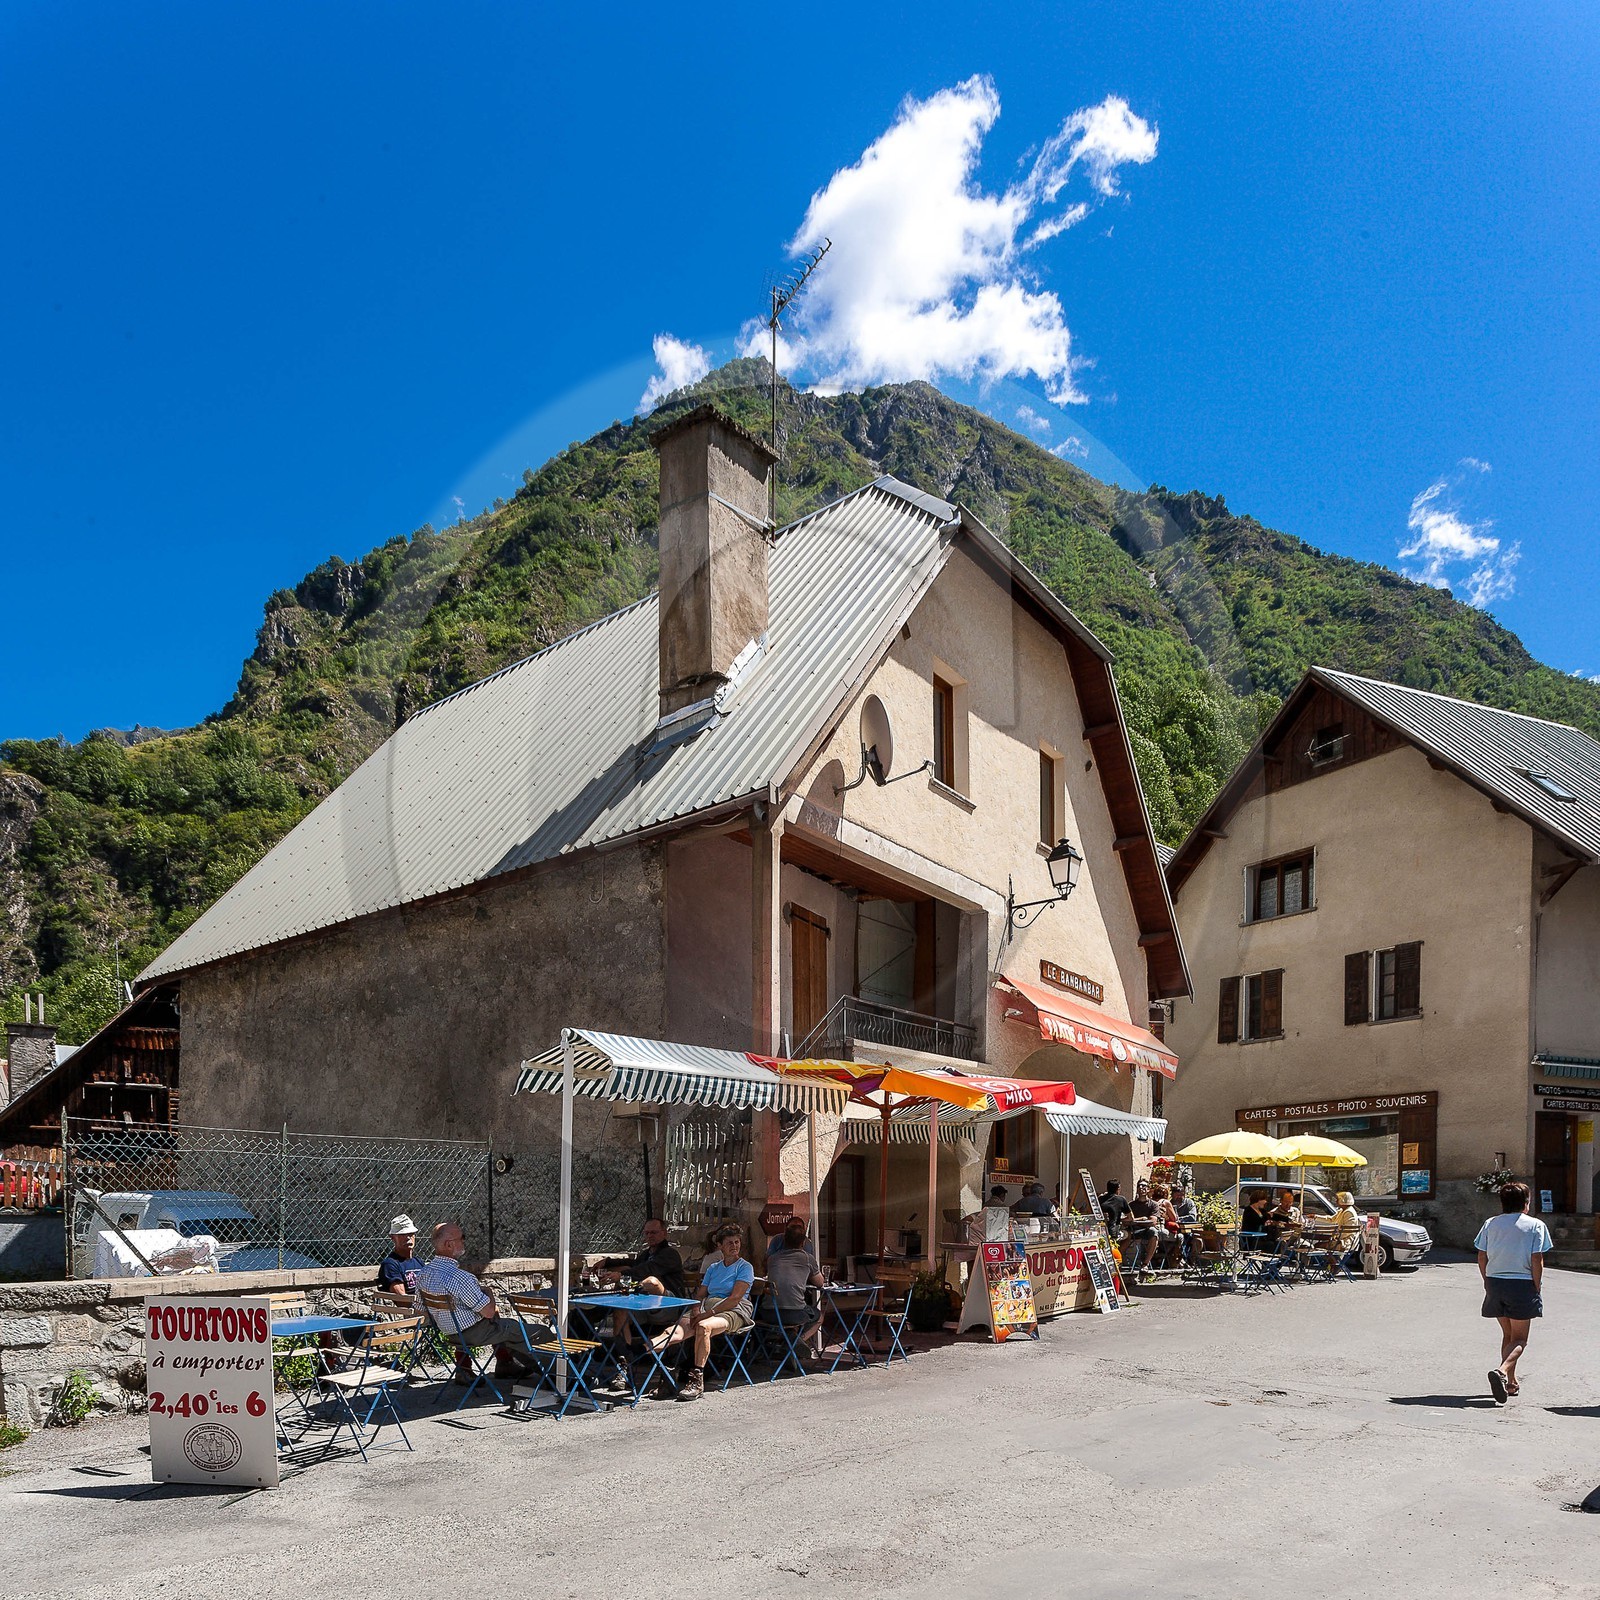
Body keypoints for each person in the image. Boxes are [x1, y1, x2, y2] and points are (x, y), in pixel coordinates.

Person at [414, 1221, 536, 1382]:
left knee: (501, 1326)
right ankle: (556, 1375)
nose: (464, 1241)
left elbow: (420, 1311)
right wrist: (489, 1293)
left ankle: (490, 1365)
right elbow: (488, 1311)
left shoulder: (423, 1274)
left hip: (449, 1334)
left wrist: (446, 1319)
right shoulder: (460, 1277)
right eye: (461, 1238)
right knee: (533, 1332)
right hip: (474, 1334)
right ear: (449, 1245)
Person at [1476, 1180, 1551, 1403]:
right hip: (1521, 1284)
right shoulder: (1535, 1225)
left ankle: (1510, 1381)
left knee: (1508, 1335)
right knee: (1520, 1339)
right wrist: (1536, 1285)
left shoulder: (1490, 1223)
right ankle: (1501, 1371)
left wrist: (1486, 1280)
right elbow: (1537, 1258)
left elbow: (1481, 1255)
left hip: (1495, 1283)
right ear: (1526, 1203)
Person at [662, 1222, 755, 1401]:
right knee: (673, 1331)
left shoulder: (745, 1267)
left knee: (703, 1327)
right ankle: (637, 1358)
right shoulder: (713, 1268)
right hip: (707, 1307)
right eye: (729, 1243)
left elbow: (735, 1298)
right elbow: (701, 1293)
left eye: (737, 1242)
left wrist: (705, 1314)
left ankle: (696, 1380)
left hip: (733, 1311)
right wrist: (696, 1309)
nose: (734, 1246)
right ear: (719, 1246)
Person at [596, 1218, 687, 1378]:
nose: (650, 1236)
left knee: (652, 1281)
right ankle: (625, 1359)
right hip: (644, 1306)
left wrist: (621, 1276)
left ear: (664, 1233)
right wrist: (609, 1262)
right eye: (647, 1233)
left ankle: (629, 1356)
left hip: (668, 1305)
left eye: (654, 1232)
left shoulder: (670, 1254)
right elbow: (633, 1263)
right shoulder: (646, 1254)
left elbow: (647, 1269)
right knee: (621, 1308)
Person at [760, 1216, 825, 1350]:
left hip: (768, 1313)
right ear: (803, 1243)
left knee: (793, 1317)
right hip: (793, 1314)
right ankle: (795, 1343)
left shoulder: (772, 1259)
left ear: (784, 1239)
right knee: (819, 1316)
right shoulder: (808, 1258)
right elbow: (820, 1283)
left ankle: (789, 1342)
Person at [375, 1214, 423, 1304]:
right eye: (402, 1235)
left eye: (410, 1234)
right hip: (414, 1311)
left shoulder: (418, 1262)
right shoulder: (390, 1264)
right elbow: (402, 1300)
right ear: (393, 1238)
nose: (408, 1238)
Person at [1123, 1179, 1162, 1276]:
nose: (1141, 1188)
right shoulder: (1131, 1204)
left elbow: (1152, 1221)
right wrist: (1142, 1219)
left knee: (1154, 1233)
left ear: (1148, 1189)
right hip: (1132, 1230)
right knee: (1123, 1234)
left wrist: (1134, 1221)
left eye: (1144, 1186)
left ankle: (1145, 1264)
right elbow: (1125, 1221)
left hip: (1146, 1230)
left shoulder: (1153, 1204)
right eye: (1139, 1186)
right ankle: (1116, 1261)